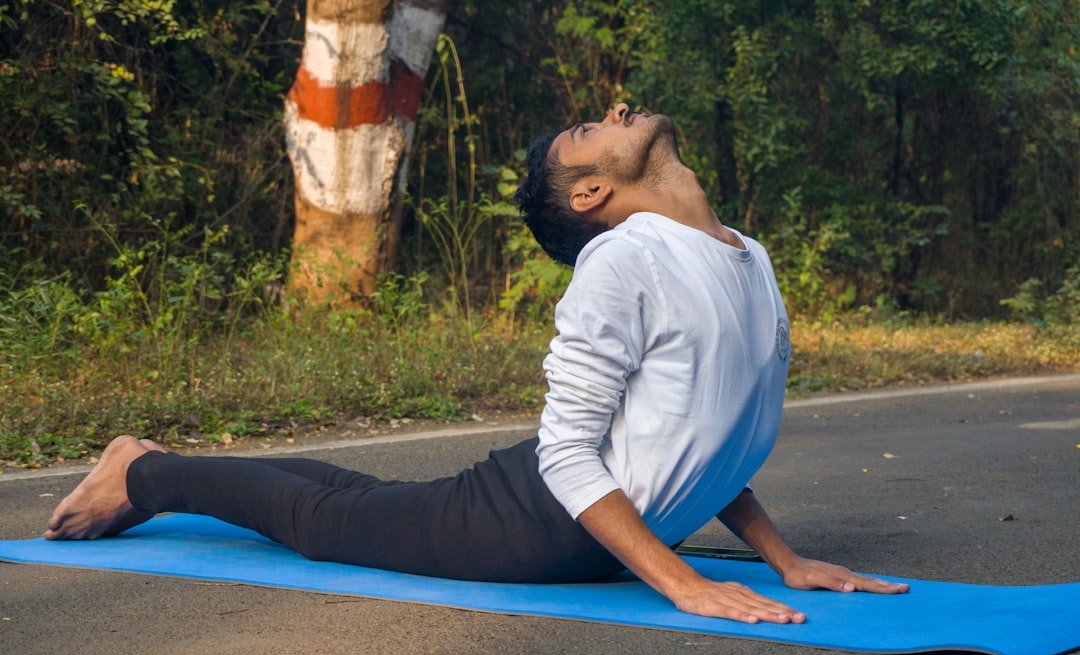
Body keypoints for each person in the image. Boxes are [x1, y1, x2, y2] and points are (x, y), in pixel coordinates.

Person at [45, 103, 908, 623]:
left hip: (586, 528)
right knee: (323, 523)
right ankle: (145, 474)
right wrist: (682, 583)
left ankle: (148, 465)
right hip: (532, 523)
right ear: (589, 196)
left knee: (357, 501)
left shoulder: (745, 255)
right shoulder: (622, 261)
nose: (616, 111)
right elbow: (567, 452)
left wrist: (784, 559)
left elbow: (704, 431)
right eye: (590, 128)